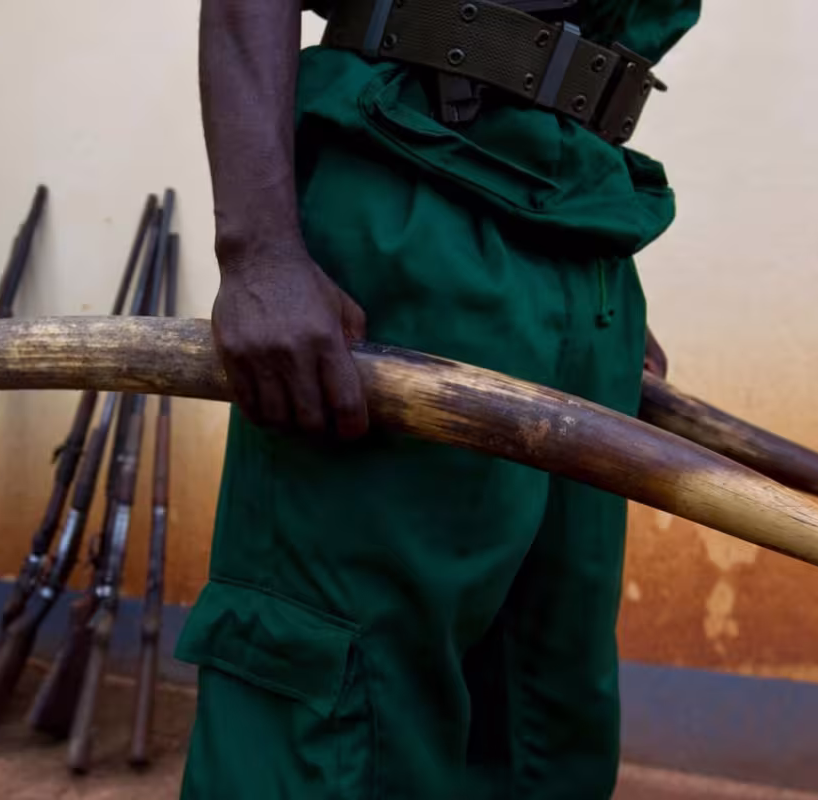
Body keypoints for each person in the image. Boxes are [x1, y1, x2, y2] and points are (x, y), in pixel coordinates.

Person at [177, 0, 693, 797]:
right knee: (344, 722)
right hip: (401, 229)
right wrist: (259, 248)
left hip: (584, 247)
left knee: (543, 715)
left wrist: (573, 296)